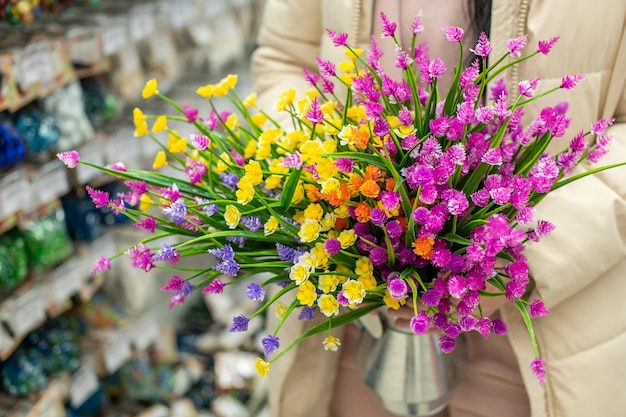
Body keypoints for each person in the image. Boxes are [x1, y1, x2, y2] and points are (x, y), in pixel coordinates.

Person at [250, 1, 626, 417]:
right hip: (353, 321)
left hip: (544, 345)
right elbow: (285, 59)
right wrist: (324, 193)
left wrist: (522, 256)